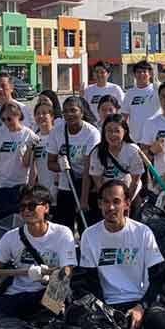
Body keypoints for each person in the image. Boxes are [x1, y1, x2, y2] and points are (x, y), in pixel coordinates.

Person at [0, 185, 77, 320]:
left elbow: (68, 269)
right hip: (18, 293)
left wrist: (48, 277)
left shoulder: (62, 233)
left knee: (52, 313)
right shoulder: (11, 237)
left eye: (32, 206)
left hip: (47, 292)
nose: (26, 211)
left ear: (46, 207)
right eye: (23, 207)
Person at [77, 180, 165, 329]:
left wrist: (141, 307)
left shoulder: (142, 232)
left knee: (160, 321)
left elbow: (157, 277)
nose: (111, 207)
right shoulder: (89, 235)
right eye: (106, 202)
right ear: (100, 204)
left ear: (127, 204)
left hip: (138, 299)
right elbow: (90, 279)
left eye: (116, 202)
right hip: (107, 302)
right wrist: (107, 311)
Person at [47, 95, 101, 232]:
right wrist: (61, 166)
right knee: (64, 229)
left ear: (81, 112)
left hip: (88, 186)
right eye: (65, 111)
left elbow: (88, 169)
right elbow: (50, 163)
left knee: (87, 228)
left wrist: (83, 200)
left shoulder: (92, 133)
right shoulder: (56, 132)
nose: (69, 114)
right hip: (66, 185)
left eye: (73, 110)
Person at [0, 102, 38, 221]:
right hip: (2, 183)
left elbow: (28, 163)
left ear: (18, 116)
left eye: (9, 119)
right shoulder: (0, 133)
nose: (6, 122)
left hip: (20, 184)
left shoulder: (28, 135)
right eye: (3, 119)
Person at [88, 114, 145, 207]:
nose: (113, 135)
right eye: (109, 131)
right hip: (108, 195)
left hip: (130, 193)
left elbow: (135, 180)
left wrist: (126, 202)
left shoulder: (133, 150)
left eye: (117, 131)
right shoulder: (97, 152)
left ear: (125, 132)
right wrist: (107, 200)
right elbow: (98, 181)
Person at [138, 80, 165, 195]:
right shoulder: (151, 123)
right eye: (163, 97)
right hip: (161, 182)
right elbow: (142, 158)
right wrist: (151, 151)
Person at [30, 101, 59, 200]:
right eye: (38, 113)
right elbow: (31, 166)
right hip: (42, 190)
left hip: (58, 187)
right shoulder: (35, 139)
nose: (41, 116)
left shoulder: (58, 136)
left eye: (44, 113)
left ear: (51, 117)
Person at [121, 60, 159, 136]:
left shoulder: (157, 90)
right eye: (138, 72)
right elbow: (124, 115)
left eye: (144, 71)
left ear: (150, 74)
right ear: (134, 75)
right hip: (135, 136)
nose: (141, 74)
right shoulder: (129, 93)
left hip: (154, 136)